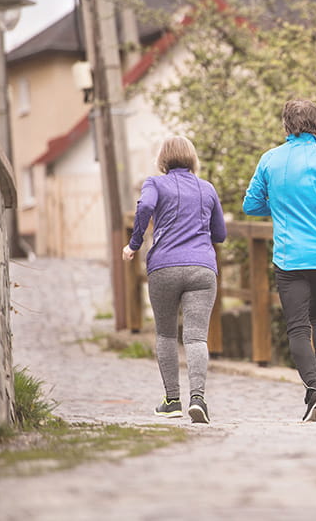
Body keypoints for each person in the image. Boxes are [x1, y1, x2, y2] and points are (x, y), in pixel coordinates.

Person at [242, 99, 316, 422]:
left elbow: (250, 204)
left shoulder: (270, 160)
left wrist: (279, 209)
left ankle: (314, 391)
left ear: (285, 126)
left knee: (297, 327)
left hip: (288, 257)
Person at [123, 135, 227, 424]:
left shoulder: (155, 184)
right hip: (202, 268)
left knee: (166, 334)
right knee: (196, 337)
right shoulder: (207, 189)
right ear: (193, 159)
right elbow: (220, 234)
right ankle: (198, 399)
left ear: (162, 160)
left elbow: (144, 208)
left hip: (164, 267)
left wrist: (134, 244)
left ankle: (172, 401)